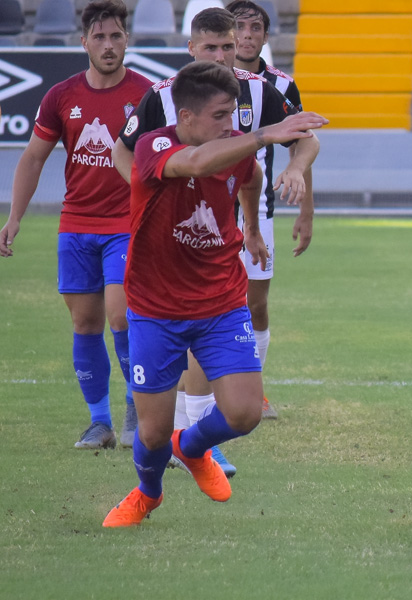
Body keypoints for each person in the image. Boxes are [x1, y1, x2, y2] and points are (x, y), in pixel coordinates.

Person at [101, 61, 327, 527]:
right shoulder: (155, 144)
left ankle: (192, 446)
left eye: (234, 116)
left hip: (221, 301)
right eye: (221, 116)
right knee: (153, 430)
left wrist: (251, 229)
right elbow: (198, 163)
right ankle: (148, 493)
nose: (231, 125)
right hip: (155, 307)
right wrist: (270, 133)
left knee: (245, 414)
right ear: (186, 117)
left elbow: (251, 179)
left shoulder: (233, 148)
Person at [0, 0, 151, 450]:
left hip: (127, 224)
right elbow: (32, 158)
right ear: (83, 41)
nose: (108, 45)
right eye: (100, 37)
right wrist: (14, 217)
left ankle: (134, 410)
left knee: (121, 315)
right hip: (76, 226)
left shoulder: (146, 96)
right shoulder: (62, 95)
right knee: (85, 324)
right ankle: (98, 421)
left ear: (127, 40)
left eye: (116, 36)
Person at [229, 0, 313, 420]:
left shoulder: (279, 85)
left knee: (255, 302)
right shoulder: (197, 82)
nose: (246, 35)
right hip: (206, 205)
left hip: (257, 207)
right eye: (238, 27)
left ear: (265, 35)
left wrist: (306, 211)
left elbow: (301, 143)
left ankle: (253, 388)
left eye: (254, 27)